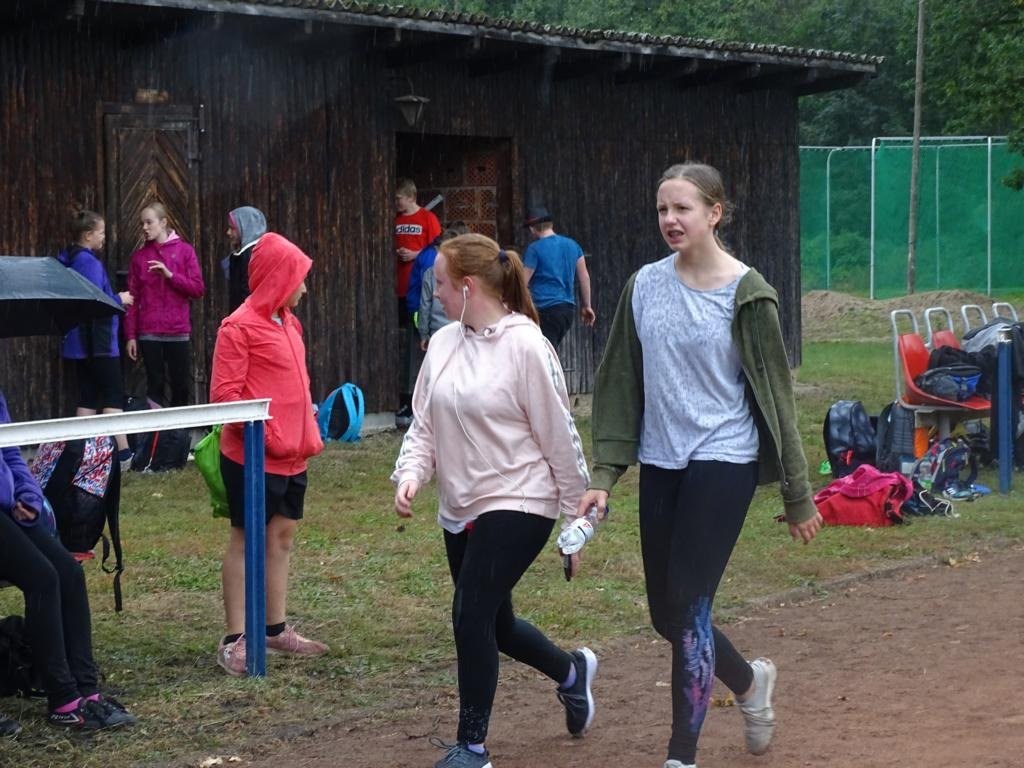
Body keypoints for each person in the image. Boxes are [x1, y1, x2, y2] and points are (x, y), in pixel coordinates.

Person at [576, 162, 823, 768]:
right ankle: (749, 683)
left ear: (715, 212)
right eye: (662, 209)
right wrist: (605, 474)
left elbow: (777, 397)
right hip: (662, 460)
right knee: (666, 614)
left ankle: (680, 756)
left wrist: (798, 494)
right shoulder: (643, 285)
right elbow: (619, 380)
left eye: (682, 208)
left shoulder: (748, 293)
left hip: (724, 458)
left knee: (688, 604)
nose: (670, 219)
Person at [392, 233, 597, 768]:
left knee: (469, 614)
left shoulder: (526, 345)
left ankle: (473, 748)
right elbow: (424, 424)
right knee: (496, 626)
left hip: (522, 498)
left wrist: (575, 522)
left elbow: (560, 437)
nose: (434, 294)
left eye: (440, 283)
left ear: (467, 286)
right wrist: (411, 474)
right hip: (461, 505)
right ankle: (571, 672)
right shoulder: (443, 343)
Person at [210, 232, 328, 676]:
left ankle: (273, 629)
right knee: (245, 540)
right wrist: (271, 433)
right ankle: (235, 639)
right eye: (299, 278)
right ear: (278, 279)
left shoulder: (289, 323)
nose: (305, 288)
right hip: (252, 458)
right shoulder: (237, 327)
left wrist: (304, 426)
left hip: (294, 456)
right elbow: (225, 398)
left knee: (281, 537)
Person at [0, 390, 137, 732]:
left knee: (68, 573)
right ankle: (62, 699)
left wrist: (28, 495)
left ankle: (87, 691)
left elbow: (10, 451)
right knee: (42, 578)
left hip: (9, 508)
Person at [57, 208, 134, 470]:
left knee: (88, 396)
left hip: (81, 344)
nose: (104, 237)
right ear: (88, 235)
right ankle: (123, 455)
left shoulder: (71, 258)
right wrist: (119, 298)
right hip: (97, 342)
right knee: (113, 395)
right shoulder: (88, 263)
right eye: (101, 232)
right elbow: (93, 302)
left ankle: (79, 453)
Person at [124, 201, 205, 407]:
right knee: (154, 385)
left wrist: (170, 275)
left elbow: (197, 289)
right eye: (142, 223)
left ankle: (180, 428)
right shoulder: (139, 258)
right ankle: (155, 428)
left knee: (181, 386)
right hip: (149, 331)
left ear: (163, 222)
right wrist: (131, 335)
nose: (144, 227)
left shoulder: (185, 251)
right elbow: (132, 299)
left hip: (177, 330)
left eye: (149, 222)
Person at [394, 178, 441, 426]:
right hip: (401, 287)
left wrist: (415, 254)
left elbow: (436, 248)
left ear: (411, 197)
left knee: (418, 342)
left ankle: (419, 396)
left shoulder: (427, 219)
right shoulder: (396, 220)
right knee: (403, 341)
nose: (397, 203)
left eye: (399, 198)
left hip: (419, 288)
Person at [522, 206, 596, 348]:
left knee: (545, 353)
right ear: (551, 224)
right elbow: (584, 277)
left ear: (532, 229)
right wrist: (587, 306)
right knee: (549, 349)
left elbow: (522, 282)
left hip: (544, 310)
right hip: (567, 311)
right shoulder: (573, 245)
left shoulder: (534, 249)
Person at [415, 221, 471, 352]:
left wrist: (424, 334)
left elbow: (425, 306)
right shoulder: (468, 274)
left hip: (437, 332)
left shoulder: (430, 273)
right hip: (463, 331)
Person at [222, 205, 267, 313]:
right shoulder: (242, 255)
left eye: (232, 228)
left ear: (245, 226)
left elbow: (248, 295)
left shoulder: (253, 255)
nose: (228, 232)